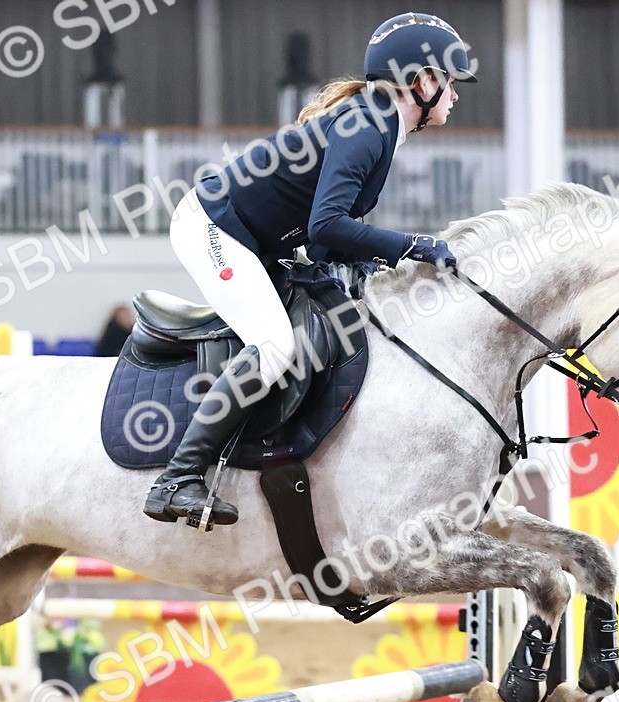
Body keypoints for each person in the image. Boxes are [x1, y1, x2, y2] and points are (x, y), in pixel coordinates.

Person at [143, 13, 477, 526]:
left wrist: (381, 263)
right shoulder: (367, 126)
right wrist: (415, 246)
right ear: (420, 81)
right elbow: (326, 227)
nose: (454, 93)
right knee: (275, 346)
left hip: (257, 239)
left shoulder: (378, 124)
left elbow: (325, 243)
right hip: (214, 227)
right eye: (449, 81)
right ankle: (177, 478)